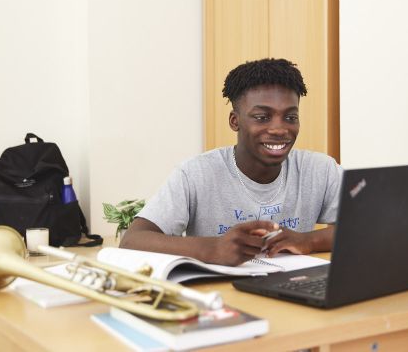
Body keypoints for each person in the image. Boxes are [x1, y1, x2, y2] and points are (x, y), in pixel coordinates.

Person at [120, 58, 343, 266]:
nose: (279, 129)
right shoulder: (195, 173)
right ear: (235, 121)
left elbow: (368, 225)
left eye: (290, 117)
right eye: (262, 117)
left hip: (292, 293)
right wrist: (213, 248)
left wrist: (308, 240)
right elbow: (133, 240)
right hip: (220, 297)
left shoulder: (320, 170)